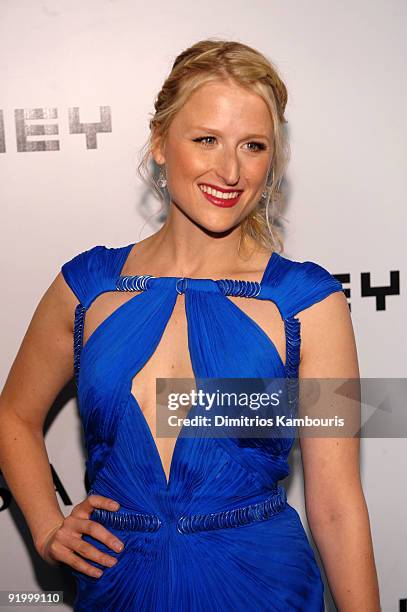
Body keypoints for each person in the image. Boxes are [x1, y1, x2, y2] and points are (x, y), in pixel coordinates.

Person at [0, 39, 380, 611]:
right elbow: (14, 415)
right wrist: (48, 527)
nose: (230, 170)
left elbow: (335, 504)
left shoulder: (306, 301)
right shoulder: (89, 285)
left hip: (262, 584)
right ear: (159, 143)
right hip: (119, 583)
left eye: (253, 146)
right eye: (206, 140)